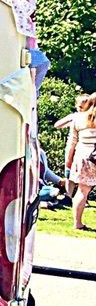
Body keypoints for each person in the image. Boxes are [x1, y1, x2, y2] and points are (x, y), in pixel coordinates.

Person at [63, 93, 96, 231]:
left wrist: (68, 161)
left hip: (82, 157)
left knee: (82, 191)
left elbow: (72, 142)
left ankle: (77, 223)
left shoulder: (78, 118)